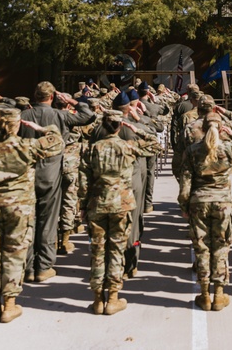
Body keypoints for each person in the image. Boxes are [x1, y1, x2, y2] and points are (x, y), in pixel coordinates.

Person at [0, 108, 65, 323]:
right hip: (19, 207)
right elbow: (57, 142)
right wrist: (41, 128)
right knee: (15, 253)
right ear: (18, 125)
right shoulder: (27, 146)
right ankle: (9, 305)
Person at [84, 110, 162, 315]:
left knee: (98, 251)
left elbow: (84, 182)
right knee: (116, 250)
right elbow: (156, 145)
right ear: (119, 126)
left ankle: (98, 299)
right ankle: (113, 298)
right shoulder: (128, 146)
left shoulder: (93, 149)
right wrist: (137, 130)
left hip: (98, 202)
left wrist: (83, 206)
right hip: (122, 203)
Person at [19, 82, 95, 283]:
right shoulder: (60, 115)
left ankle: (27, 267)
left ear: (35, 96)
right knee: (48, 221)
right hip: (51, 173)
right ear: (52, 97)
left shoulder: (23, 116)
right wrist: (72, 101)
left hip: (26, 174)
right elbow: (88, 116)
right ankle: (43, 266)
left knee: (28, 221)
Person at [178, 113, 232, 311]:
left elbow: (185, 183)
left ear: (202, 128)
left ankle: (204, 294)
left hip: (199, 201)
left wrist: (184, 206)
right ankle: (219, 294)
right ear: (221, 128)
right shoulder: (229, 148)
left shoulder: (193, 150)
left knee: (201, 248)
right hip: (222, 202)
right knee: (221, 248)